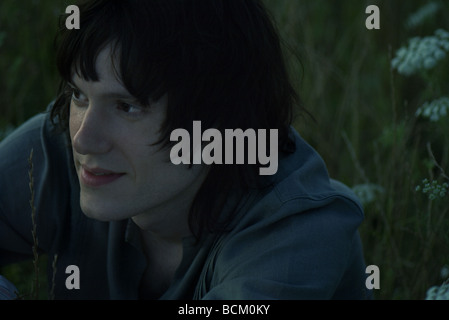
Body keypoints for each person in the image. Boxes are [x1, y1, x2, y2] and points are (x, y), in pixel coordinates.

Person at [0, 0, 372, 300]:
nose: (84, 138)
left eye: (127, 107)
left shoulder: (299, 227)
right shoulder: (59, 149)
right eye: (80, 95)